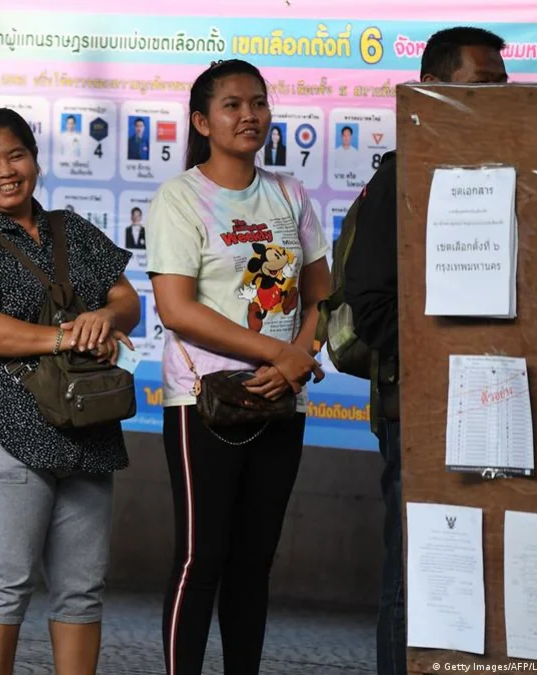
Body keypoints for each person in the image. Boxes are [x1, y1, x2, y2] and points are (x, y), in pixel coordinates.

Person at [0, 106, 139, 674]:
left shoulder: (72, 229)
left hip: (87, 428)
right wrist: (69, 334)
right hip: (5, 428)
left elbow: (128, 301)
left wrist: (105, 319)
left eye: (16, 155)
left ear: (35, 160)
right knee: (5, 584)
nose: (6, 171)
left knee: (82, 589)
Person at [145, 59, 330, 675]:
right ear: (202, 121)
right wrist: (281, 354)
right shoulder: (179, 197)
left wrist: (296, 361)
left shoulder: (288, 193)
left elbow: (320, 295)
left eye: (258, 103)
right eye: (231, 105)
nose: (249, 115)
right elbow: (177, 310)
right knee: (203, 559)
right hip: (207, 403)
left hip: (281, 400)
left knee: (255, 562)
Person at [343, 27, 507, 675]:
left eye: (503, 85)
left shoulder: (502, 168)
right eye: (481, 86)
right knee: (417, 581)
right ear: (432, 89)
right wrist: (449, 372)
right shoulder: (400, 180)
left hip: (495, 409)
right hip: (423, 414)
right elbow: (372, 309)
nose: (498, 99)